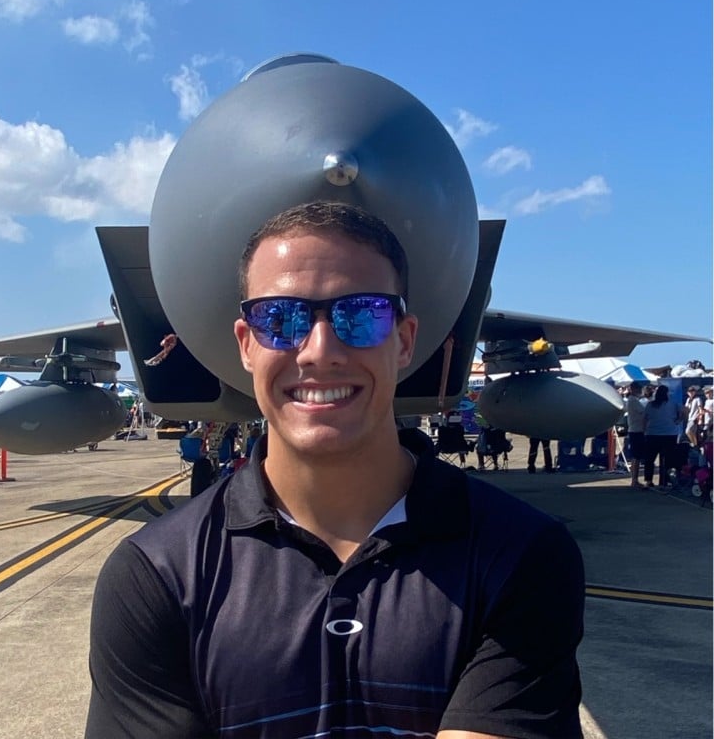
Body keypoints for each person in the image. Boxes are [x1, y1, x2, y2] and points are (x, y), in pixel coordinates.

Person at [85, 201, 585, 739]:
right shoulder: (155, 576)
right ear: (246, 345)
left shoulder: (521, 555)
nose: (319, 351)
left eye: (362, 314)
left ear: (405, 340)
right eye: (279, 319)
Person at [643, 384, 684, 489]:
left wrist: (644, 430)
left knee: (649, 459)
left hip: (652, 434)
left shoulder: (650, 404)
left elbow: (644, 418)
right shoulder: (673, 403)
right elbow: (684, 411)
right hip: (670, 433)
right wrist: (678, 420)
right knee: (669, 459)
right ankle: (667, 481)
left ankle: (648, 480)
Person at [625, 382, 647, 488]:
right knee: (636, 456)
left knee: (636, 456)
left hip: (635, 430)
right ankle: (634, 480)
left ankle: (634, 479)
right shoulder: (633, 400)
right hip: (637, 430)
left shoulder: (634, 400)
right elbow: (644, 412)